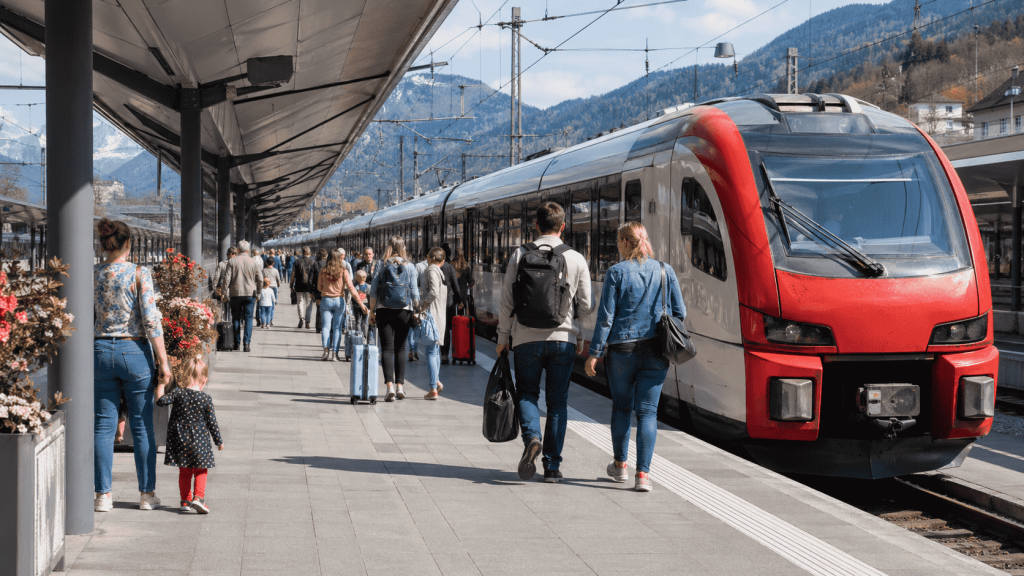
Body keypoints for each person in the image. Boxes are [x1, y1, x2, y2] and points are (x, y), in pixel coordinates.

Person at [584, 222, 686, 493]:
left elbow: (606, 318)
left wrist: (594, 353)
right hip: (656, 350)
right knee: (647, 411)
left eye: (619, 241)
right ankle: (643, 475)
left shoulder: (616, 272)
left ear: (626, 242)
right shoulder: (665, 271)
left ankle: (620, 466)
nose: (618, 246)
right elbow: (680, 312)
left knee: (621, 408)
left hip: (622, 350)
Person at [496, 202, 592, 483]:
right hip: (563, 340)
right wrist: (578, 331)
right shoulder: (575, 258)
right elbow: (586, 305)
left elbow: (507, 301)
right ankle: (552, 466)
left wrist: (502, 338)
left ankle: (532, 439)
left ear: (536, 226)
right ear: (563, 226)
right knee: (557, 402)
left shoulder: (520, 254)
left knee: (527, 394)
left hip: (525, 338)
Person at [93, 218, 173, 512]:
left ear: (104, 244)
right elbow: (151, 320)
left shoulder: (94, 274)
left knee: (103, 425)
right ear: (128, 243)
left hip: (100, 350)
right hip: (134, 351)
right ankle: (146, 495)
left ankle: (103, 496)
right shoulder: (140, 273)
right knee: (141, 426)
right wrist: (163, 361)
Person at [155, 355, 223, 514]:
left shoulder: (178, 393)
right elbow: (212, 423)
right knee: (201, 470)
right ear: (204, 379)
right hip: (200, 442)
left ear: (184, 375)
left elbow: (161, 401)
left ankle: (185, 501)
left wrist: (161, 384)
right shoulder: (205, 398)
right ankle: (198, 498)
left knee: (184, 471)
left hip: (180, 441)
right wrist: (219, 441)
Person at [368, 236, 420, 402]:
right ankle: (400, 387)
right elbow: (414, 292)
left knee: (386, 348)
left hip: (384, 310)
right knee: (401, 348)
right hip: (404, 311)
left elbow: (373, 290)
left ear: (389, 247)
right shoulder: (409, 266)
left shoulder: (381, 264)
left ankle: (389, 387)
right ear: (403, 247)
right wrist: (417, 310)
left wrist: (371, 311)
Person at [318, 249, 367, 361]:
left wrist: (327, 288)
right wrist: (361, 303)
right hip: (339, 301)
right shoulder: (344, 271)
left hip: (326, 300)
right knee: (337, 328)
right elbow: (351, 288)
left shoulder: (323, 271)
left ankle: (326, 350)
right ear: (340, 258)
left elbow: (319, 287)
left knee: (326, 327)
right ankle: (335, 354)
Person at [417, 247, 448, 400]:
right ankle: (436, 381)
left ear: (430, 258)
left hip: (432, 317)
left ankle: (433, 388)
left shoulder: (431, 270)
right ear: (443, 260)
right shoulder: (441, 272)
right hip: (440, 316)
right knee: (435, 351)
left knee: (430, 351)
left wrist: (423, 307)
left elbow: (433, 292)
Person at [223, 240, 263, 352]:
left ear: (237, 250)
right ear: (248, 250)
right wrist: (258, 292)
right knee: (248, 318)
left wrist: (224, 292)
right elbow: (260, 279)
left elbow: (227, 279)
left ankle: (236, 344)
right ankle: (247, 344)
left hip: (235, 293)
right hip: (250, 293)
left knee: (236, 318)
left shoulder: (232, 261)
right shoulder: (254, 262)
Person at [438, 243, 464, 364]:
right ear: (449, 254)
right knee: (447, 327)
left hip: (436, 301)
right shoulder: (450, 268)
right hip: (448, 301)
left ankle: (438, 351)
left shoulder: (435, 266)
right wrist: (459, 301)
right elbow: (455, 286)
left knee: (439, 326)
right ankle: (445, 354)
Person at [291, 247, 317, 329]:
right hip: (309, 286)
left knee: (300, 302)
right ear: (310, 253)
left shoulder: (297, 261)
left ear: (302, 253)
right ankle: (307, 321)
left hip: (299, 285)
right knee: (309, 304)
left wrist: (291, 285)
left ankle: (301, 318)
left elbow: (293, 274)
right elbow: (315, 275)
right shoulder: (313, 262)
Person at [312, 248, 329, 333]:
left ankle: (318, 327)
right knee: (326, 309)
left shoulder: (315, 264)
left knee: (319, 308)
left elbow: (311, 278)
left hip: (317, 290)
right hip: (327, 290)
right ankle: (325, 326)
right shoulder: (329, 264)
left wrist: (311, 291)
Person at [261, 258, 281, 327]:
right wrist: (278, 285)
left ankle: (263, 321)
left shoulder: (263, 270)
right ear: (273, 263)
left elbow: (261, 279)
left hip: (265, 287)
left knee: (264, 302)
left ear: (266, 263)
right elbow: (278, 279)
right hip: (274, 287)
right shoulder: (275, 270)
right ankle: (270, 319)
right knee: (273, 303)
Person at [353, 270, 371, 340]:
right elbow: (370, 296)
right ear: (365, 278)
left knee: (358, 321)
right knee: (365, 321)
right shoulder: (368, 286)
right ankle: (364, 336)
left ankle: (359, 336)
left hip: (357, 305)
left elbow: (353, 296)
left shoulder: (355, 286)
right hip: (365, 304)